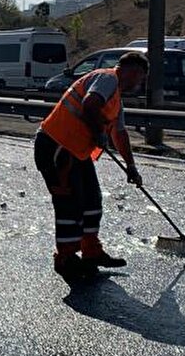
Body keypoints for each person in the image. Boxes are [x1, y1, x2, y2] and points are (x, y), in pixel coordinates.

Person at [34, 51, 148, 280]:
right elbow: (90, 103)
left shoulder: (116, 98)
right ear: (133, 72)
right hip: (57, 146)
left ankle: (91, 252)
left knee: (92, 199)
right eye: (141, 77)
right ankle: (66, 259)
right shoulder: (107, 79)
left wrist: (131, 166)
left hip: (76, 151)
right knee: (69, 202)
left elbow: (120, 133)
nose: (140, 83)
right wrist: (97, 131)